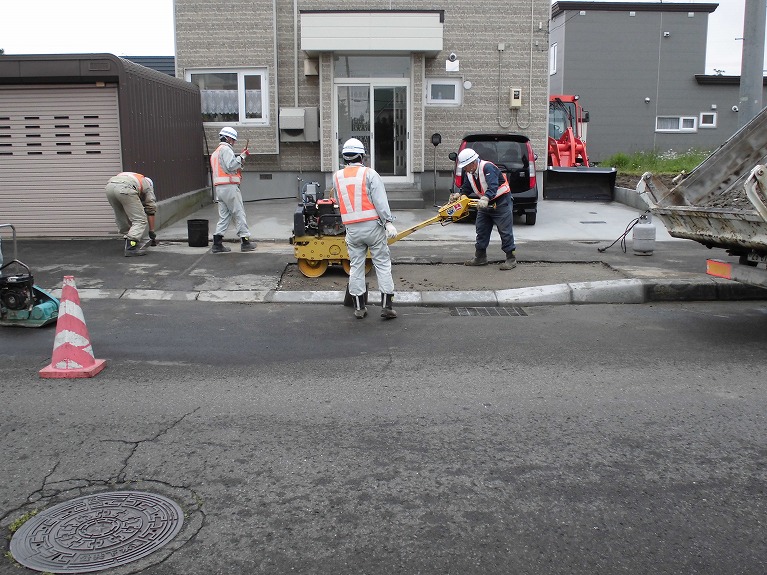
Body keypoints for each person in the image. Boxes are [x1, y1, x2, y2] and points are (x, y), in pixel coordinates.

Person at [333, 138, 398, 320]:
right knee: (383, 264)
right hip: (372, 227)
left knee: (356, 267)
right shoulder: (369, 174)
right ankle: (387, 306)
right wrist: (388, 222)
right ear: (362, 155)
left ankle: (360, 308)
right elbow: (380, 201)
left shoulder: (337, 176)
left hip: (352, 229)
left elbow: (339, 201)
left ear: (345, 157)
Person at [450, 148, 517, 270]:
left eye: (466, 166)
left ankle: (511, 258)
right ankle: (480, 257)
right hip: (485, 203)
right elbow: (467, 187)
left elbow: (493, 186)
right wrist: (459, 194)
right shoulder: (469, 173)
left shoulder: (487, 167)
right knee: (481, 229)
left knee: (505, 231)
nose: (464, 169)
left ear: (473, 162)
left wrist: (485, 198)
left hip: (501, 201)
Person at [210, 127, 255, 253]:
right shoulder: (226, 149)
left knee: (224, 216)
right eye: (233, 139)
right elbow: (231, 166)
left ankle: (217, 244)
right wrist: (242, 156)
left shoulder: (216, 152)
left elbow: (225, 168)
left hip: (220, 189)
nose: (233, 142)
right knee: (239, 212)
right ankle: (245, 241)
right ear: (228, 138)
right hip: (229, 187)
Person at [105, 172, 157, 257]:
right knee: (140, 220)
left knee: (120, 214)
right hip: (125, 188)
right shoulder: (147, 185)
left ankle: (127, 236)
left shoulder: (133, 176)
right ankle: (131, 247)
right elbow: (151, 208)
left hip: (109, 187)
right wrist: (152, 231)